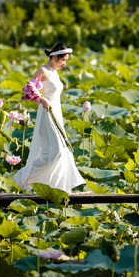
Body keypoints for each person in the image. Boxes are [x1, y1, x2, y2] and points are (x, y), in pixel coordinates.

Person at [13, 43, 85, 193]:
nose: (64, 63)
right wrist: (41, 99)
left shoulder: (54, 71)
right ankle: (22, 177)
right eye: (63, 60)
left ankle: (56, 187)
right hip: (47, 112)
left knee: (61, 151)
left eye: (66, 61)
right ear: (55, 56)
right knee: (56, 152)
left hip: (56, 112)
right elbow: (30, 86)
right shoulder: (43, 70)